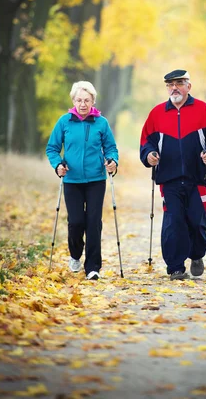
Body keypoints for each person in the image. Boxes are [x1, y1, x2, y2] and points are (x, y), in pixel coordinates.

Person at [140, 69, 206, 280]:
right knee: (173, 221)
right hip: (169, 178)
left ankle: (196, 255)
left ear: (188, 86)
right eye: (170, 84)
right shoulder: (157, 113)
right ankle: (175, 267)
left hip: (198, 178)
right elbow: (146, 142)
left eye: (179, 83)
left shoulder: (203, 110)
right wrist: (149, 155)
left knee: (197, 221)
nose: (174, 88)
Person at [46, 81, 118, 280]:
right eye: (79, 100)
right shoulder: (64, 122)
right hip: (72, 180)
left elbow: (111, 148)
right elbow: (52, 148)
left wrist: (113, 162)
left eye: (86, 100)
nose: (83, 104)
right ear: (73, 101)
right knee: (76, 221)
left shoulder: (101, 123)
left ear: (93, 101)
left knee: (93, 222)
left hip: (96, 179)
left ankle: (93, 267)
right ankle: (75, 255)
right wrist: (57, 165)